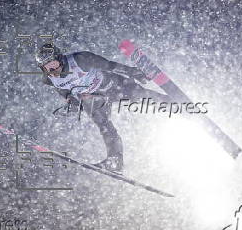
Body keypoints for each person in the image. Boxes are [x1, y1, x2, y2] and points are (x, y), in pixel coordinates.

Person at [36, 43, 171, 173]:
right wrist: (72, 102)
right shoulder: (48, 79)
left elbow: (109, 65)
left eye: (53, 65)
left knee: (142, 96)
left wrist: (132, 72)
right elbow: (64, 91)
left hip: (111, 86)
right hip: (93, 99)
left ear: (60, 58)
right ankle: (115, 161)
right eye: (47, 69)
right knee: (104, 126)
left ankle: (173, 103)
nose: (53, 71)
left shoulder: (80, 59)